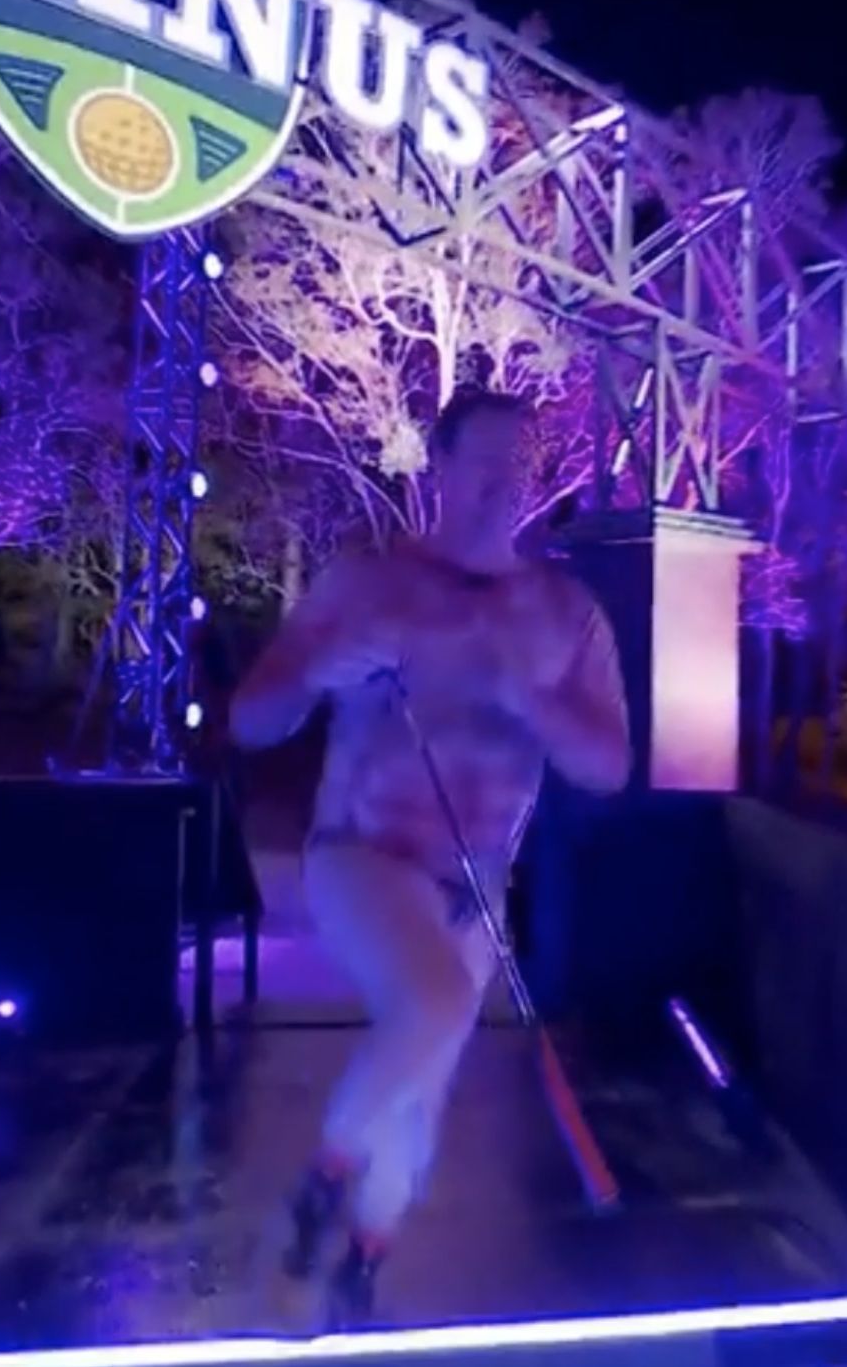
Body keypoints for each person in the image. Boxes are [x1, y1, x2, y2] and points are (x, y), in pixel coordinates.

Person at [230, 389, 631, 1321]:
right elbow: (251, 718)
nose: (502, 482)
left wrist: (536, 699)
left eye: (517, 463)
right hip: (361, 854)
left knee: (417, 1092)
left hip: (473, 889)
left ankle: (356, 1267)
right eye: (482, 460)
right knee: (436, 1000)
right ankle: (319, 1185)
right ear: (438, 464)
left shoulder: (565, 611)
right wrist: (319, 668)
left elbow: (608, 766)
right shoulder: (366, 583)